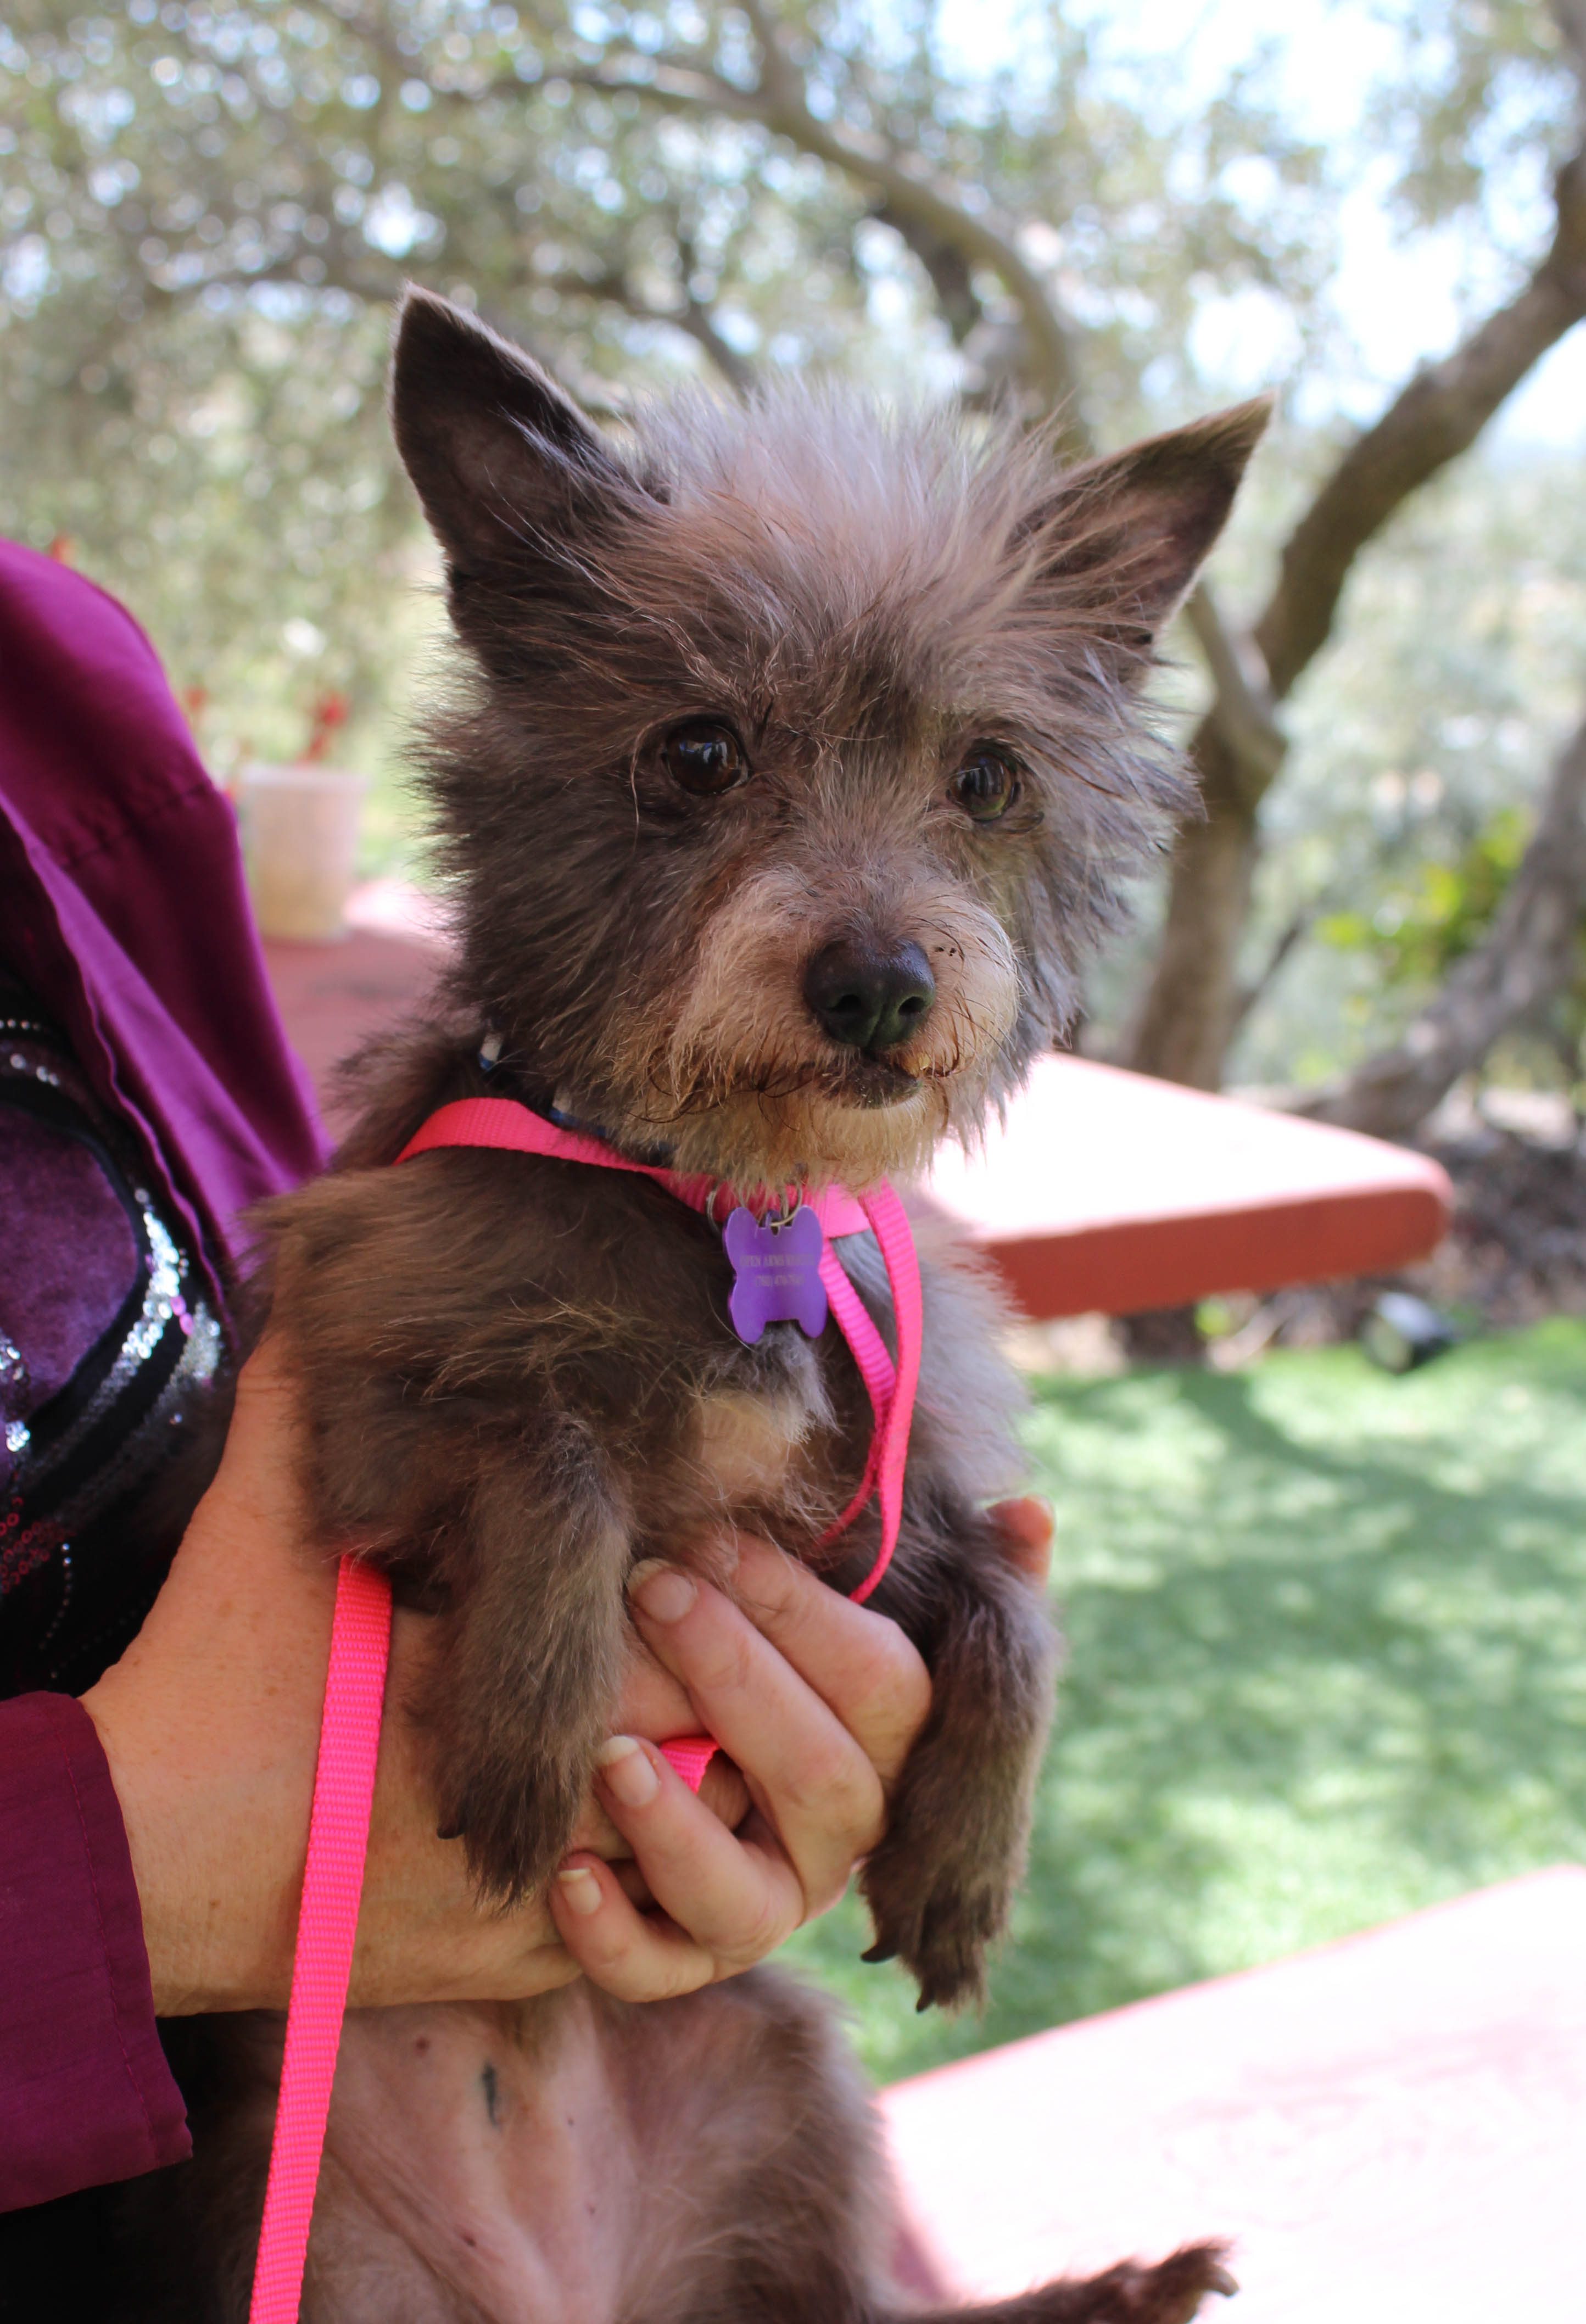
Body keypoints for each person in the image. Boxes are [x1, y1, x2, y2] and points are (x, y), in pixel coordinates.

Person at [0, 537, 1051, 2218]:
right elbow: (347, 1385)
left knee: (782, 2097)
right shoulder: (463, 1189)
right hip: (245, 2141)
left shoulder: (47, 677)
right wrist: (135, 1883)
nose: (879, 948)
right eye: (704, 762)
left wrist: (952, 1683)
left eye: (983, 781)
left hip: (625, 2073)